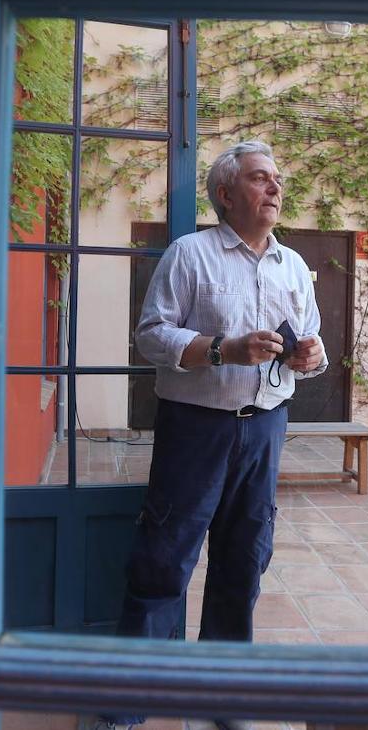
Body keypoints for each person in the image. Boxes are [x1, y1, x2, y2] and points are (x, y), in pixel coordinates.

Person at [120, 139, 327, 646]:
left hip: (265, 429)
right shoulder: (189, 254)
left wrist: (311, 357)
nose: (274, 186)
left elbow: (313, 343)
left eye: (277, 178)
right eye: (260, 177)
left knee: (246, 558)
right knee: (165, 556)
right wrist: (223, 350)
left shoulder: (295, 267)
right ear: (225, 194)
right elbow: (150, 336)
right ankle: (135, 689)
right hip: (195, 429)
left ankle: (222, 681)